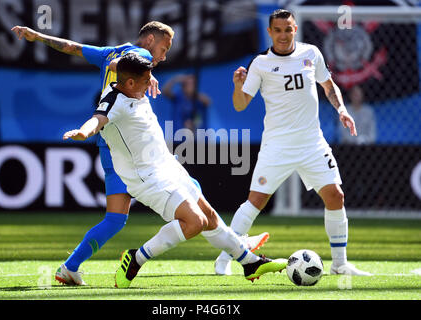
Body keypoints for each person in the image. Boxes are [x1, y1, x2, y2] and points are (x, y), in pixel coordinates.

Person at [11, 22, 268, 285]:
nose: (162, 56)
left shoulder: (108, 53)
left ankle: (70, 267)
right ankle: (233, 244)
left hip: (111, 145)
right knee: (191, 202)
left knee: (119, 218)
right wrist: (141, 73)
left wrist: (37, 36)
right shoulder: (141, 57)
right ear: (149, 40)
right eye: (163, 48)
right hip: (129, 152)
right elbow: (114, 87)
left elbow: (72, 47)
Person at [63, 53, 288, 288]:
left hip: (167, 166)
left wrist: (136, 70)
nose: (150, 81)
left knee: (209, 217)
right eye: (146, 79)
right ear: (129, 83)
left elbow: (115, 64)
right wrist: (83, 132)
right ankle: (135, 259)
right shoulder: (114, 103)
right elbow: (97, 119)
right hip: (147, 179)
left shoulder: (127, 80)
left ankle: (250, 263)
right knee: (195, 222)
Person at [214, 9, 372, 276]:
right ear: (270, 32)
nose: (283, 35)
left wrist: (343, 110)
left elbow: (328, 84)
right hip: (277, 145)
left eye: (288, 29)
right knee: (255, 201)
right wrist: (237, 86)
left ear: (295, 29)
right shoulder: (261, 63)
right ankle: (224, 259)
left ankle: (340, 264)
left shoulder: (311, 53)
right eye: (278, 30)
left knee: (335, 196)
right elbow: (240, 105)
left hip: (312, 142)